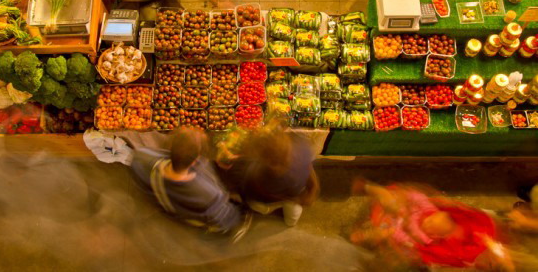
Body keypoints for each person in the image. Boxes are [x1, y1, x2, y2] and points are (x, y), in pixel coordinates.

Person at [351, 179, 515, 271]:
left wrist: (405, 227)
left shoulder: (455, 254)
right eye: (500, 253)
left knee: (387, 232)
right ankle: (369, 187)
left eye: (493, 262)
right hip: (408, 210)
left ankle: (366, 235)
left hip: (403, 229)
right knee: (393, 201)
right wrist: (409, 206)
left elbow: (419, 246)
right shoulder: (486, 231)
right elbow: (426, 202)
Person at [131, 127, 251, 240]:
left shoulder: (142, 158)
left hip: (171, 204)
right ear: (194, 161)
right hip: (195, 214)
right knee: (232, 215)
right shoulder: (208, 193)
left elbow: (139, 166)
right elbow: (220, 216)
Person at [218, 120, 319, 227]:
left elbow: (248, 189)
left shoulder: (256, 174)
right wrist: (311, 189)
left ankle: (266, 211)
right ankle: (290, 221)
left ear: (266, 160)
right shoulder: (301, 147)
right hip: (296, 194)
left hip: (270, 199)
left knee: (258, 207)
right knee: (292, 216)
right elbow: (309, 166)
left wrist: (230, 162)